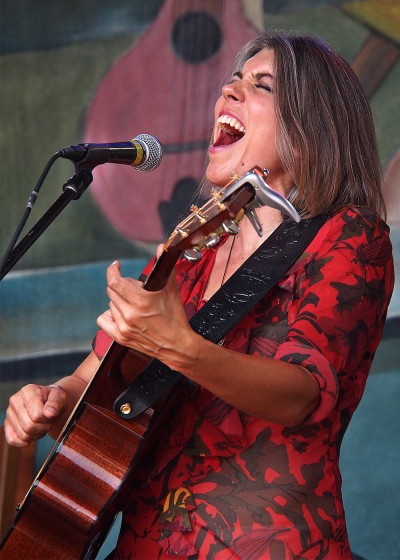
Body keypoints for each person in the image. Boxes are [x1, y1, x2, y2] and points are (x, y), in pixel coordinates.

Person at [4, 31, 394, 559]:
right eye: (231, 80)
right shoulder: (190, 248)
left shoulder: (348, 235)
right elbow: (96, 375)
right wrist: (51, 402)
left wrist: (177, 346)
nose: (227, 93)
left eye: (261, 85)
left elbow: (304, 394)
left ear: (311, 130)